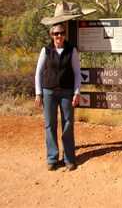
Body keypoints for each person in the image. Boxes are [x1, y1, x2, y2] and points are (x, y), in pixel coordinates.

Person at [35, 23, 81, 171]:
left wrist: (77, 92)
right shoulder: (46, 50)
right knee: (50, 125)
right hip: (49, 92)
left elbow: (76, 73)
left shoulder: (71, 50)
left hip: (67, 92)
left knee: (68, 123)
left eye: (61, 33)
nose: (59, 36)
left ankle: (69, 158)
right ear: (51, 35)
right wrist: (38, 93)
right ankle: (52, 158)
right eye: (56, 33)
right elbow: (39, 73)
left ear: (64, 34)